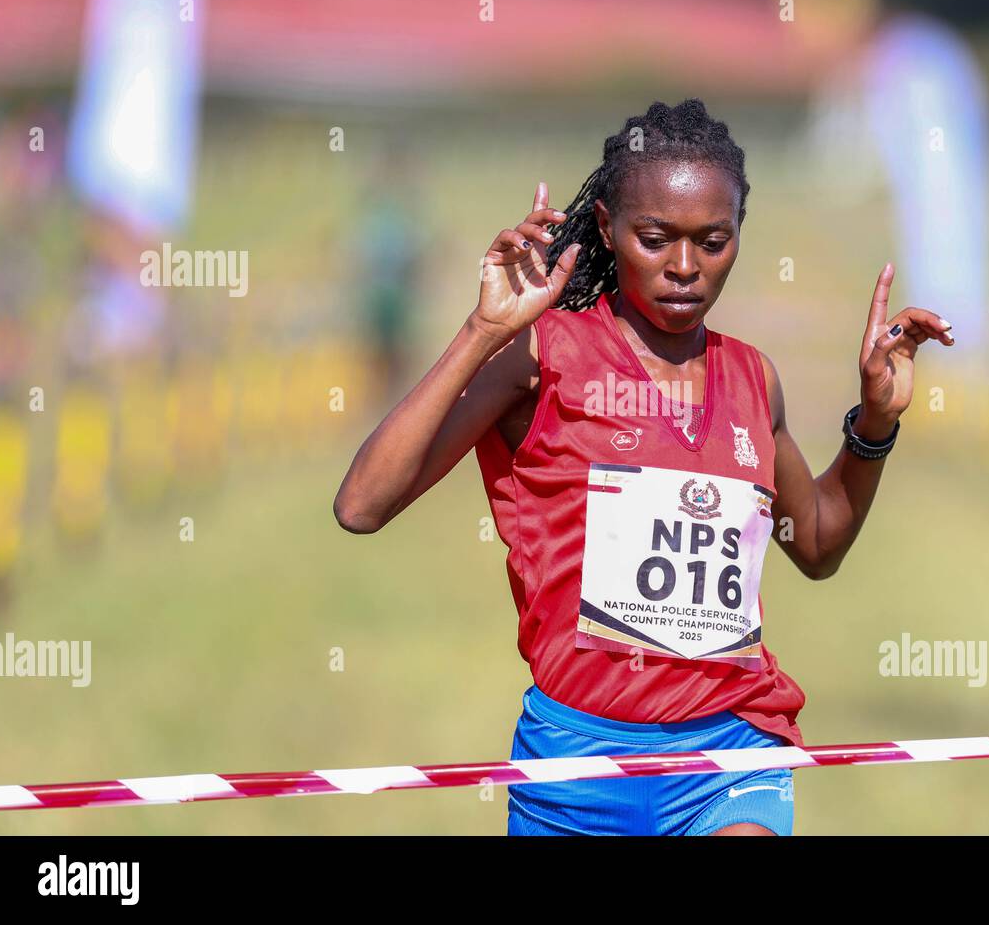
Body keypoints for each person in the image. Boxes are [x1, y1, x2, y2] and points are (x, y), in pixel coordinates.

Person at [334, 99, 952, 836]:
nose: (685, 268)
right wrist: (484, 331)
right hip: (575, 764)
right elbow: (361, 505)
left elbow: (816, 543)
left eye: (713, 241)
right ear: (606, 227)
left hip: (729, 748)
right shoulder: (540, 357)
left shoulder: (754, 378)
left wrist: (875, 425)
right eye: (655, 239)